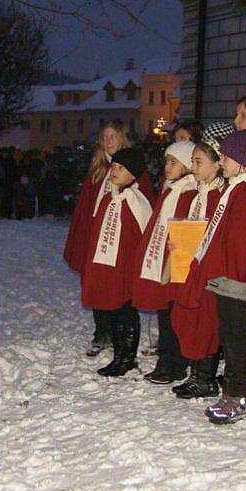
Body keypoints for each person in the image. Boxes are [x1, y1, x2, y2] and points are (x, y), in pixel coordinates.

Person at [178, 127, 246, 423]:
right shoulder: (241, 186)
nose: (221, 161)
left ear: (243, 160)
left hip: (236, 281)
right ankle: (234, 389)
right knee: (232, 336)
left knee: (235, 339)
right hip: (230, 278)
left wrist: (220, 267)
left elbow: (240, 241)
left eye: (226, 156)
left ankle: (240, 393)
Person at [132, 141, 202, 385]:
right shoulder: (171, 189)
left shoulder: (188, 191)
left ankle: (176, 363)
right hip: (164, 259)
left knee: (175, 314)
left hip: (177, 261)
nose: (167, 167)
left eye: (174, 162)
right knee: (165, 312)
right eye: (166, 162)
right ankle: (166, 360)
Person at [63, 120, 133, 358]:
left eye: (113, 136)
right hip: (96, 237)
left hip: (117, 239)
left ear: (122, 138)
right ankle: (101, 331)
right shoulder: (97, 169)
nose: (108, 141)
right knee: (95, 282)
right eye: (104, 137)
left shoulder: (131, 167)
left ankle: (118, 334)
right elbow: (86, 207)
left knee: (115, 285)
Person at [81, 147, 152, 377]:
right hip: (108, 265)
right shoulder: (109, 198)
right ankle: (118, 354)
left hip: (126, 267)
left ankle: (127, 357)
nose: (115, 171)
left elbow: (143, 233)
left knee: (126, 311)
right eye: (114, 167)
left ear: (133, 174)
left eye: (121, 168)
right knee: (112, 309)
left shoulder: (136, 200)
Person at [170, 136, 227, 400]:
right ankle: (195, 372)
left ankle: (205, 377)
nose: (193, 167)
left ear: (216, 165)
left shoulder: (219, 196)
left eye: (198, 161)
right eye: (192, 161)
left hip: (206, 268)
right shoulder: (196, 194)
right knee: (188, 317)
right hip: (188, 262)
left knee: (206, 321)